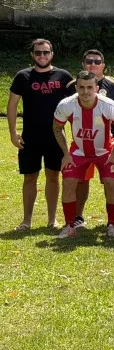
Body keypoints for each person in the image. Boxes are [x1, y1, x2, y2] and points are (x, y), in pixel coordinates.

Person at [8, 39, 73, 231]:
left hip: (55, 136)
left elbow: (76, 102)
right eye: (38, 53)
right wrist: (13, 133)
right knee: (30, 177)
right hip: (30, 136)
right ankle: (26, 221)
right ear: (32, 55)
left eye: (46, 52)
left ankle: (52, 220)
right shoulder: (23, 76)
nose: (42, 56)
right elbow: (12, 104)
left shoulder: (63, 76)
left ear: (52, 54)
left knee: (53, 176)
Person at [52, 71, 114, 238]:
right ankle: (69, 226)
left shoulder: (109, 105)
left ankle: (112, 225)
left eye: (90, 87)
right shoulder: (66, 104)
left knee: (111, 182)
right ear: (76, 88)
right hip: (78, 151)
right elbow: (57, 128)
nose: (85, 91)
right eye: (81, 87)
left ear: (97, 88)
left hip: (105, 151)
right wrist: (66, 154)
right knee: (68, 182)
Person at [72, 49, 114, 229]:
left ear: (103, 65)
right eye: (89, 61)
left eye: (97, 61)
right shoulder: (74, 85)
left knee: (110, 179)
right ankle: (78, 215)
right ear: (83, 64)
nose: (93, 64)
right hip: (83, 142)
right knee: (81, 179)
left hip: (109, 142)